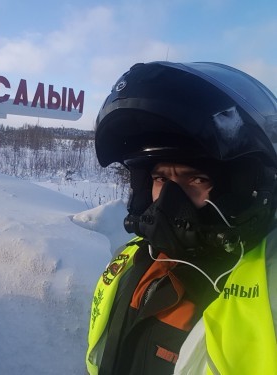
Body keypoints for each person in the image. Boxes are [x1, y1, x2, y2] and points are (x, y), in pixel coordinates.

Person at [86, 61, 277, 375]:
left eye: (197, 179)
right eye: (161, 179)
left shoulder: (269, 283)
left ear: (245, 189)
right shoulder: (135, 260)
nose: (170, 201)